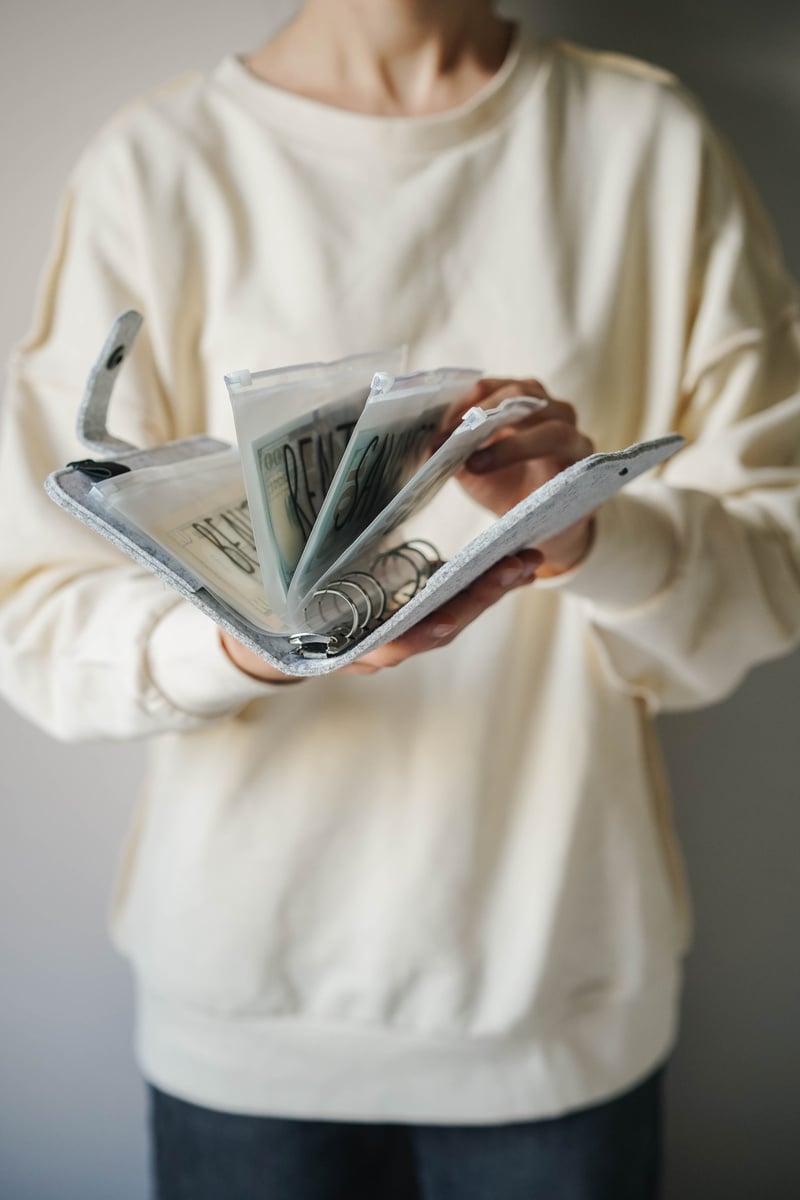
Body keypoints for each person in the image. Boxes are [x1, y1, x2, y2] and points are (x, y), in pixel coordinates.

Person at [1, 1, 799, 1196]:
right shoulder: (160, 163)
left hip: (554, 1004)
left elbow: (769, 570)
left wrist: (588, 532)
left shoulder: (646, 142)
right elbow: (34, 619)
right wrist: (248, 647)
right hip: (245, 1016)